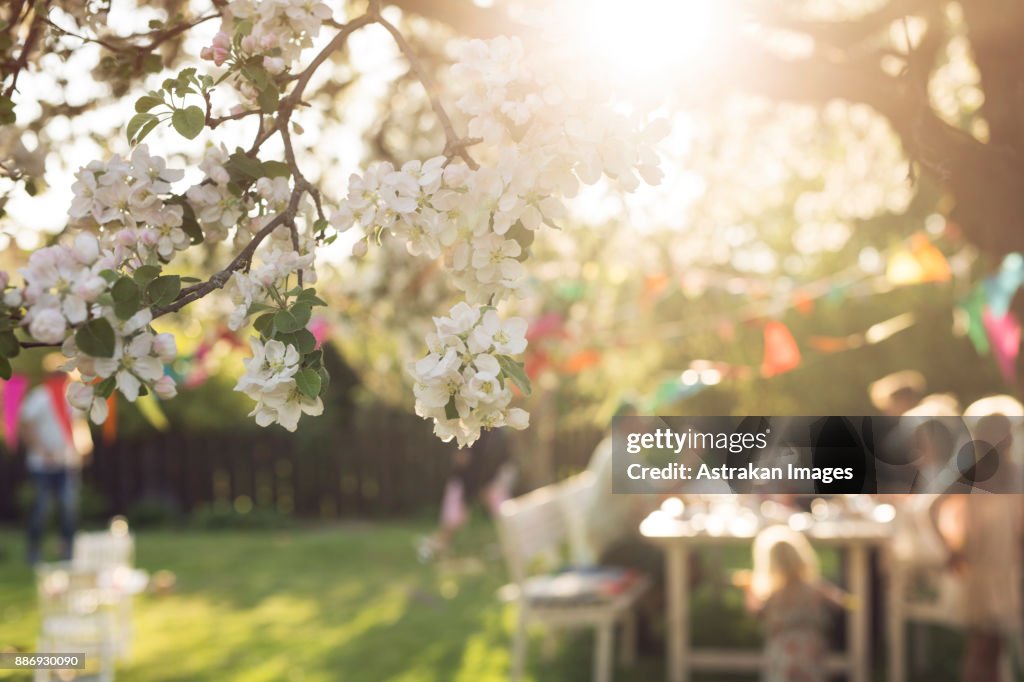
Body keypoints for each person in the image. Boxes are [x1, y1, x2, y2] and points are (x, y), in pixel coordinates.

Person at [930, 396, 1023, 682]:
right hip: (979, 566)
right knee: (981, 644)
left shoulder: (1015, 474)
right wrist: (952, 548)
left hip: (1005, 566)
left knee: (994, 645)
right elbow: (935, 509)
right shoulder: (970, 474)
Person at [738, 526, 848, 682]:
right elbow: (840, 601)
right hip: (810, 647)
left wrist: (748, 591)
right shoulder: (815, 587)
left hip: (781, 649)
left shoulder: (774, 594)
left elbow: (755, 612)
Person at [22, 369, 91, 565]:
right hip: (42, 464)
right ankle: (33, 552)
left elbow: (78, 425)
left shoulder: (71, 398)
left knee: (69, 509)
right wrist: (40, 449)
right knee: (41, 510)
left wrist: (85, 448)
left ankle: (68, 551)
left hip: (67, 463)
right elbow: (27, 424)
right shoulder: (40, 396)